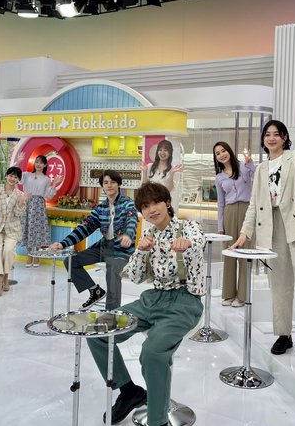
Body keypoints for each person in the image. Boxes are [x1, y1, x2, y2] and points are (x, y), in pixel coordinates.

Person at [87, 182, 205, 426]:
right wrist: (141, 251)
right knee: (97, 331)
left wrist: (187, 244)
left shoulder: (188, 227)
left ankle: (158, 421)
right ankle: (129, 391)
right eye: (145, 206)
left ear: (167, 202)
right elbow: (135, 276)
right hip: (152, 299)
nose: (152, 209)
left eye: (156, 202)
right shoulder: (148, 235)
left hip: (184, 302)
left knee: (152, 352)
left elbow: (198, 241)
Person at [230, 119, 295, 370]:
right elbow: (254, 205)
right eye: (268, 134)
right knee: (279, 287)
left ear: (284, 137)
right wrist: (245, 233)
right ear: (263, 140)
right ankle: (284, 334)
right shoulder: (262, 169)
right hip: (272, 230)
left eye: (277, 134)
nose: (272, 138)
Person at [50, 170, 137, 311]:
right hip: (103, 246)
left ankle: (111, 313)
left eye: (113, 182)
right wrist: (63, 243)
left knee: (112, 271)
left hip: (121, 250)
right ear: (102, 186)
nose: (109, 185)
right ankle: (95, 291)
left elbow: (132, 219)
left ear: (119, 184)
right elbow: (85, 227)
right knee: (71, 261)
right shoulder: (101, 208)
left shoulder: (127, 203)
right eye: (106, 183)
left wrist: (128, 235)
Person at [213, 141, 255, 307]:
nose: (222, 154)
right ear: (216, 158)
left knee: (245, 253)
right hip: (229, 213)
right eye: (218, 153)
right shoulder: (219, 177)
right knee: (230, 253)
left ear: (229, 151)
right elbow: (220, 203)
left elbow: (258, 174)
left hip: (246, 210)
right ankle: (229, 294)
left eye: (223, 150)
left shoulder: (244, 167)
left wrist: (250, 163)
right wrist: (220, 226)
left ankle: (242, 296)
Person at [0, 167, 30, 297]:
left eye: (15, 177)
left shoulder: (19, 194)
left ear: (18, 180)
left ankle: (6, 276)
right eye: (11, 175)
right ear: (6, 176)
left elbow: (18, 214)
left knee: (8, 250)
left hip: (12, 229)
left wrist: (21, 202)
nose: (12, 179)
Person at [14, 152, 62, 268]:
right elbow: (14, 174)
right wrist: (18, 161)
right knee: (28, 228)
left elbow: (48, 195)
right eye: (37, 162)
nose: (38, 164)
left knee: (38, 230)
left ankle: (37, 256)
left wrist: (54, 183)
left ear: (45, 165)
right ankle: (29, 255)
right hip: (27, 203)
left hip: (39, 205)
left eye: (41, 163)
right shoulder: (26, 175)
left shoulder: (46, 179)